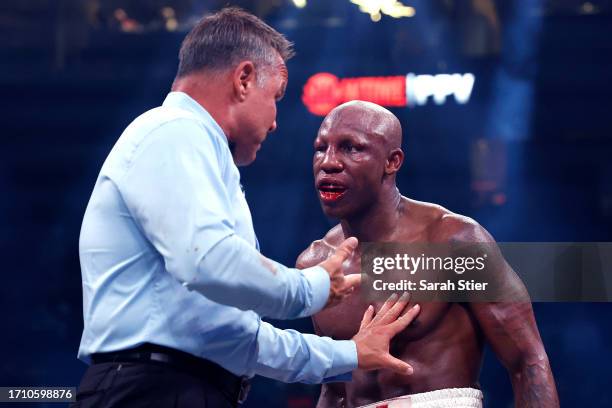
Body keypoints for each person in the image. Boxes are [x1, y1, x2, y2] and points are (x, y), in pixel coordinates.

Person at [74, 8, 421, 408]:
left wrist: (351, 355)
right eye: (275, 97)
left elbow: (236, 338)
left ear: (393, 161)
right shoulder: (173, 132)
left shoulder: (201, 159)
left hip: (185, 388)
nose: (275, 121)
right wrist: (314, 289)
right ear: (243, 80)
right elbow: (210, 262)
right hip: (152, 388)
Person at [297, 100, 560, 408]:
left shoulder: (453, 240)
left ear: (392, 161)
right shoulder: (314, 263)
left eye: (350, 148)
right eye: (320, 148)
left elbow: (527, 361)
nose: (328, 162)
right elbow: (334, 391)